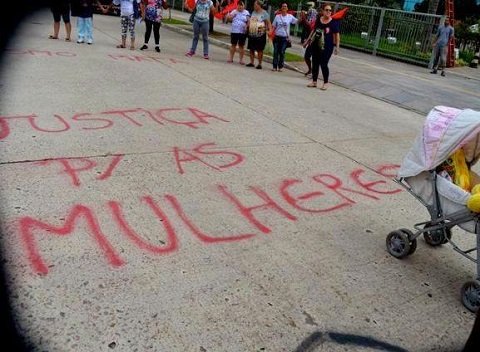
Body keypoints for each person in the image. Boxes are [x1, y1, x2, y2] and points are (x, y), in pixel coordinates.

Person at [304, 3, 339, 90]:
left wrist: (337, 47)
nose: (328, 12)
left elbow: (337, 35)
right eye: (326, 10)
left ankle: (326, 82)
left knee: (324, 64)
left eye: (330, 10)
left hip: (327, 47)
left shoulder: (333, 22)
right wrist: (307, 41)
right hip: (316, 44)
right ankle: (314, 82)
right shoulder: (319, 20)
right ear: (323, 11)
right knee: (315, 63)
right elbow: (313, 31)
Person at [271, 2, 298, 72]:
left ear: (287, 8)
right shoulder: (277, 16)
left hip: (284, 38)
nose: (284, 8)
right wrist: (270, 33)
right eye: (283, 6)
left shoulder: (290, 16)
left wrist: (302, 16)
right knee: (276, 52)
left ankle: (280, 66)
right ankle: (274, 66)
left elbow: (297, 22)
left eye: (285, 6)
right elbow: (273, 26)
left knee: (282, 52)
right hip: (277, 37)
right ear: (281, 8)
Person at [246, 0, 270, 69]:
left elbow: (268, 23)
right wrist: (247, 25)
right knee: (251, 49)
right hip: (252, 33)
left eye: (255, 5)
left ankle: (259, 64)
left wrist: (267, 30)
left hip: (260, 34)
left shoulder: (264, 13)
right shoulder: (253, 12)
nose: (254, 6)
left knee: (260, 49)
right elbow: (251, 20)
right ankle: (252, 62)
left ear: (259, 5)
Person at [226, 0, 250, 64]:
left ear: (244, 6)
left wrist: (246, 26)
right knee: (233, 44)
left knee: (241, 46)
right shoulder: (234, 11)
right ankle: (231, 58)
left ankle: (241, 60)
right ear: (237, 6)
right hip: (234, 31)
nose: (240, 7)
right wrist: (229, 17)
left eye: (241, 5)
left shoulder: (246, 12)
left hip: (242, 32)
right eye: (239, 5)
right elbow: (228, 20)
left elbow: (248, 21)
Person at [299, 2, 317, 76]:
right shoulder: (314, 20)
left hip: (318, 42)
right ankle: (310, 69)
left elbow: (308, 26)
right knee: (307, 57)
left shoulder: (318, 20)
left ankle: (314, 74)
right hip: (311, 41)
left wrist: (303, 17)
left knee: (315, 59)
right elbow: (309, 27)